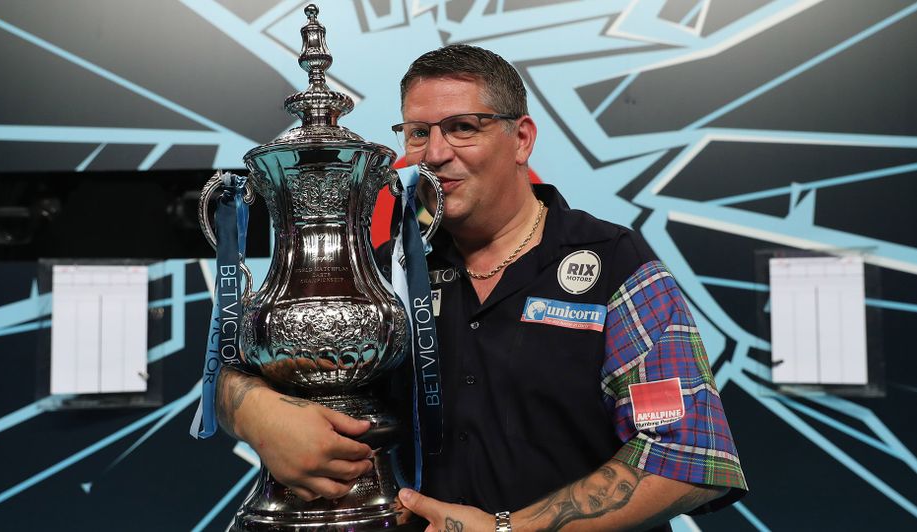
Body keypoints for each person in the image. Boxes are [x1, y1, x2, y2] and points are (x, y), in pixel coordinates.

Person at [216, 44, 747, 531]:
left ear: (521, 139)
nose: (435, 153)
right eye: (418, 133)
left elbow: (689, 457)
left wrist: (508, 530)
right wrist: (255, 412)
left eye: (463, 127)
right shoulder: (384, 274)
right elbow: (237, 369)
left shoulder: (611, 263)